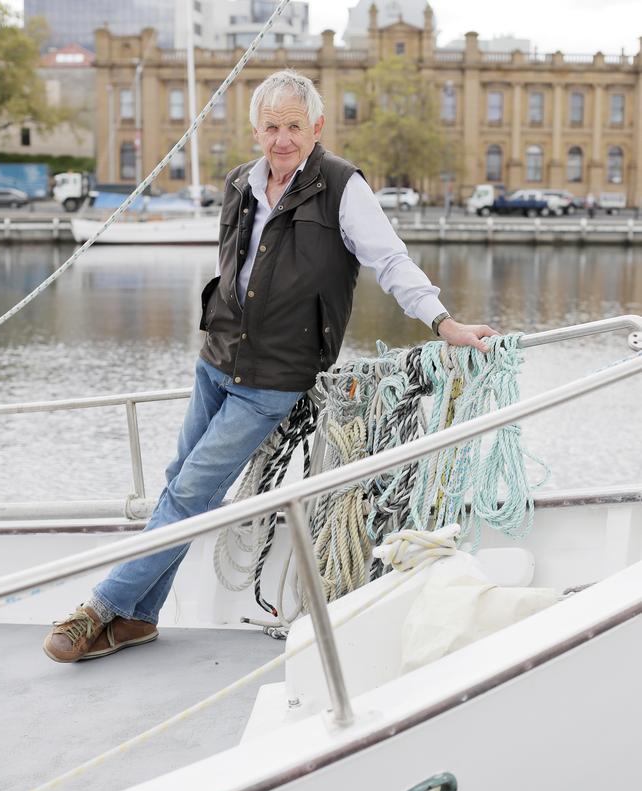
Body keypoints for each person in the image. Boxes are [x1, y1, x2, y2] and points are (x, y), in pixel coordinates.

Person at [43, 69, 499, 664]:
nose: (281, 139)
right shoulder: (240, 184)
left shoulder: (342, 188)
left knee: (188, 493)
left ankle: (101, 609)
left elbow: (391, 263)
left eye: (293, 127)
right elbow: (239, 270)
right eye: (270, 127)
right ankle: (140, 619)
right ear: (255, 129)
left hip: (273, 379)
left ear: (316, 127)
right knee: (180, 484)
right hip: (216, 360)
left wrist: (445, 324)